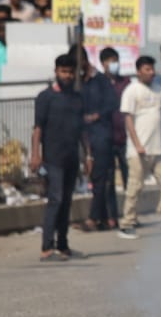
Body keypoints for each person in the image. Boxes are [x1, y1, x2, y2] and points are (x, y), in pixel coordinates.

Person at [31, 54, 88, 260]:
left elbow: (82, 130)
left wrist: (88, 156)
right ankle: (47, 247)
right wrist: (35, 154)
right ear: (56, 72)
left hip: (71, 157)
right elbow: (38, 128)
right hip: (52, 158)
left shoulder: (77, 98)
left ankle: (63, 245)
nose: (67, 75)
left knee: (66, 202)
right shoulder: (45, 97)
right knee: (55, 199)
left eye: (70, 72)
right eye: (63, 71)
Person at [117, 56, 161, 239]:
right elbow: (128, 120)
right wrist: (137, 145)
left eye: (152, 69)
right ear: (138, 71)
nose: (151, 72)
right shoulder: (132, 90)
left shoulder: (159, 91)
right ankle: (127, 223)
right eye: (147, 69)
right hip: (138, 151)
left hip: (160, 149)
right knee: (134, 187)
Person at [81, 46, 122, 230]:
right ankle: (104, 218)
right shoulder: (79, 82)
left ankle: (94, 217)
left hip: (102, 134)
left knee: (100, 177)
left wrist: (97, 115)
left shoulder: (101, 81)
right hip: (84, 134)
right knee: (94, 176)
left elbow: (112, 102)